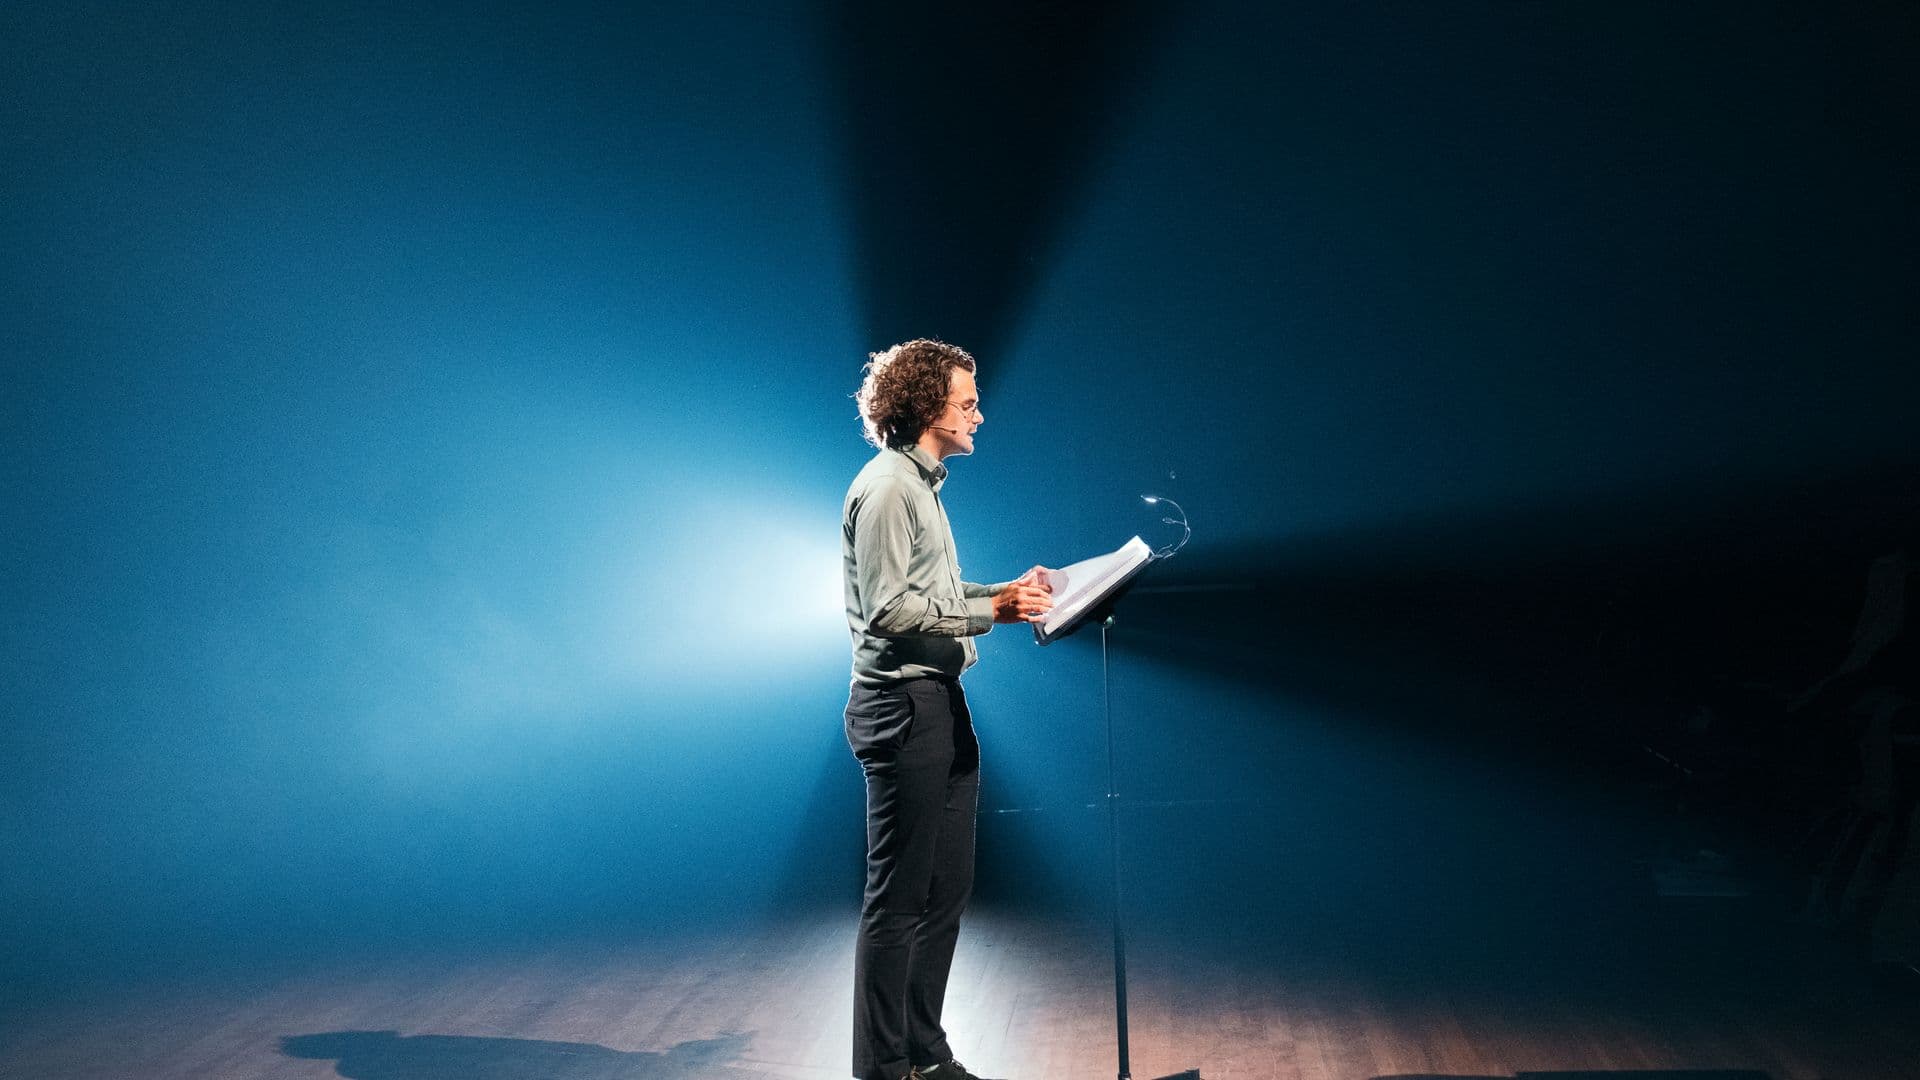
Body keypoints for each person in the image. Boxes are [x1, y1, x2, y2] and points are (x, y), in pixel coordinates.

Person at [841, 339, 1055, 1080]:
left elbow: (932, 594)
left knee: (945, 890)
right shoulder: (889, 488)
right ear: (928, 404)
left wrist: (1004, 594)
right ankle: (884, 1067)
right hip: (900, 705)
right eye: (968, 403)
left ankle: (925, 1055)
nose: (978, 415)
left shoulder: (921, 486)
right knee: (899, 898)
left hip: (938, 701)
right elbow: (888, 610)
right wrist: (991, 614)